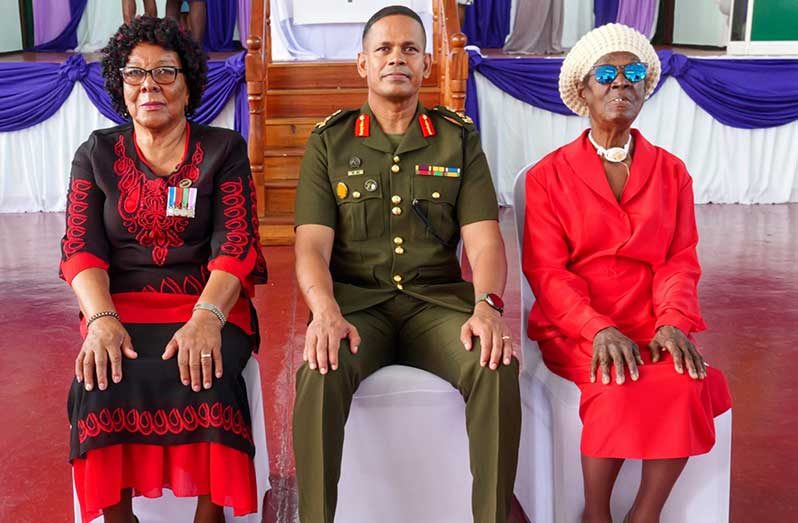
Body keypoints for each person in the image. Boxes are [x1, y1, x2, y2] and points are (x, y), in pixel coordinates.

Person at [292, 5, 521, 522]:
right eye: (384, 49)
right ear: (362, 64)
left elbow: (485, 243)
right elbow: (310, 247)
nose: (397, 58)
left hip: (434, 306)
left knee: (495, 362)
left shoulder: (456, 138)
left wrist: (487, 306)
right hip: (356, 308)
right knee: (319, 368)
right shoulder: (331, 141)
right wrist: (324, 310)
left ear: (427, 64)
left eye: (410, 49)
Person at [522, 23, 732, 523]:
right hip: (578, 325)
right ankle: (595, 513)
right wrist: (597, 329)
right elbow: (547, 271)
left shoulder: (672, 171)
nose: (622, 83)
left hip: (652, 318)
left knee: (683, 381)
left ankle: (645, 513)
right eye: (608, 74)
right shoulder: (546, 176)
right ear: (583, 90)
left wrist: (674, 321)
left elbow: (680, 259)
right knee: (614, 384)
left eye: (633, 73)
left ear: (645, 88)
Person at [60, 16, 267, 523]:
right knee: (101, 378)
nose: (149, 85)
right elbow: (80, 250)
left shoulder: (224, 150)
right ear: (120, 84)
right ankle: (118, 516)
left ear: (189, 83)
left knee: (212, 375)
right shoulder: (96, 153)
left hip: (209, 302)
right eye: (135, 74)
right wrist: (101, 320)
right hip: (119, 305)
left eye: (165, 73)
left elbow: (236, 246)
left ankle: (209, 513)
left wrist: (206, 318)